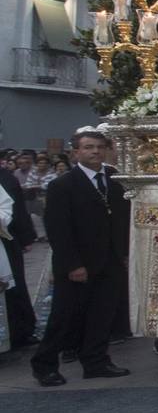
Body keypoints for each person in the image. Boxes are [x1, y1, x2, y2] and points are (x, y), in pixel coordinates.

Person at [30, 129, 132, 386]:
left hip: (110, 260)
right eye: (88, 147)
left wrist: (123, 254)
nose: (95, 151)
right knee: (64, 317)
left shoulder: (115, 179)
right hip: (77, 263)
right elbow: (58, 230)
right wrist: (73, 265)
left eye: (99, 147)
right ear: (76, 152)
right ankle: (44, 365)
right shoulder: (62, 185)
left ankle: (96, 361)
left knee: (102, 315)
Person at [0, 163, 37, 347]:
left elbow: (15, 208)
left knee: (12, 288)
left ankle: (19, 331)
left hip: (5, 241)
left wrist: (25, 237)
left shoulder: (5, 178)